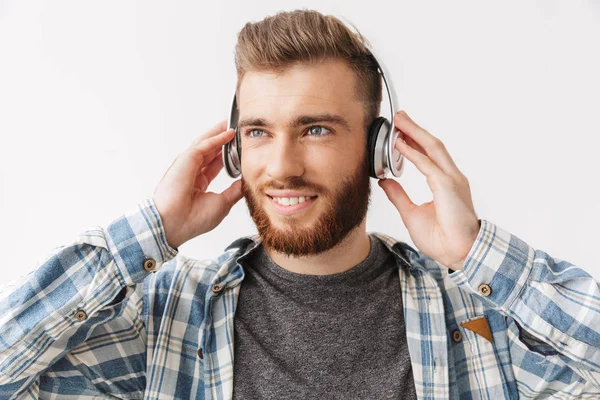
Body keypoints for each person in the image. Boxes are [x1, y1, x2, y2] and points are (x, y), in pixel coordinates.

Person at [1, 9, 599, 400]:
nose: (281, 165)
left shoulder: (475, 322)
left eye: (316, 129)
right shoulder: (164, 321)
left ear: (379, 149)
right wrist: (151, 232)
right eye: (258, 131)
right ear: (234, 149)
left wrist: (477, 255)